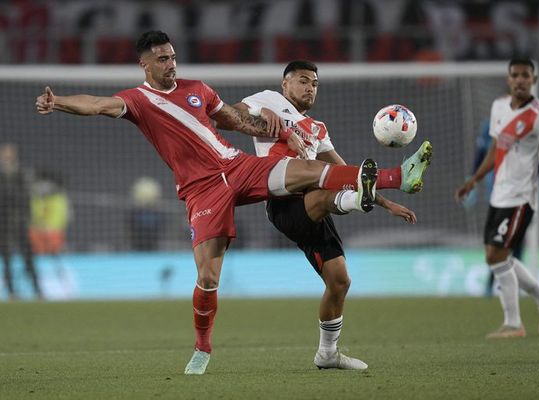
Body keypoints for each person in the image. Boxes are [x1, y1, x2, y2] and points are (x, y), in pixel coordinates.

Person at [35, 30, 432, 374]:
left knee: (305, 171)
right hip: (202, 190)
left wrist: (274, 128)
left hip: (237, 166)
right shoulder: (137, 100)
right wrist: (60, 102)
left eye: (173, 56)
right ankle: (202, 347)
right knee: (208, 277)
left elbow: (233, 119)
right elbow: (98, 104)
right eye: (162, 59)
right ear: (145, 65)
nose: (171, 64)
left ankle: (397, 176)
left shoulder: (199, 90)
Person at [220, 60, 422, 370]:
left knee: (340, 281)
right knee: (319, 180)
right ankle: (362, 196)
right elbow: (225, 118)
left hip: (316, 206)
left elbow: (346, 171)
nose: (309, 87)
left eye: (314, 83)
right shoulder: (267, 99)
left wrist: (386, 204)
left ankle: (327, 354)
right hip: (284, 202)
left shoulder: (318, 129)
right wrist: (260, 114)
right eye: (302, 81)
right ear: (285, 84)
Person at [455, 57, 539, 339]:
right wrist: (475, 180)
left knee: (496, 254)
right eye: (515, 75)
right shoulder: (499, 107)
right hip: (498, 194)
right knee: (495, 257)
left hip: (521, 197)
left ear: (534, 80)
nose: (520, 80)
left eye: (525, 75)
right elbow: (495, 148)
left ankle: (514, 323)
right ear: (508, 79)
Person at [464, 119, 539, 297]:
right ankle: (493, 286)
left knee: (514, 244)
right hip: (498, 198)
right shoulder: (490, 127)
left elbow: (538, 159)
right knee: (497, 245)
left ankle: (512, 287)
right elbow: (480, 157)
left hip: (523, 198)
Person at [0, 143, 43, 300]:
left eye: (9, 153)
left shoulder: (21, 174)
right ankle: (11, 292)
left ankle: (37, 291)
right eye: (4, 153)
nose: (6, 156)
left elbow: (26, 196)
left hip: (20, 221)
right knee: (6, 258)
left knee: (28, 257)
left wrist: (29, 218)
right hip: (3, 223)